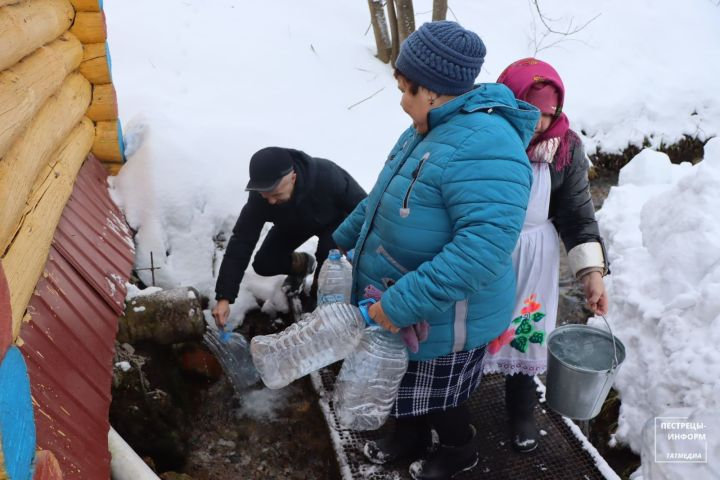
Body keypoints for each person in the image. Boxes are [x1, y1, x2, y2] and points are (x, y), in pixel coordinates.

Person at [332, 22, 537, 480]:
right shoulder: (427, 129)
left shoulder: (487, 145)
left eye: (406, 90)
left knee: (443, 397)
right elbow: (384, 192)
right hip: (404, 300)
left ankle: (459, 452)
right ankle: (408, 437)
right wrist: (343, 237)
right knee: (406, 384)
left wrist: (401, 304)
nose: (402, 100)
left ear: (433, 91)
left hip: (449, 311)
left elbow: (481, 250)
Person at [482, 57, 610, 453]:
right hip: (486, 246)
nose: (538, 123)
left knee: (527, 330)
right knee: (474, 325)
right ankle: (452, 406)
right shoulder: (486, 135)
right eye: (529, 111)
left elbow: (576, 213)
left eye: (547, 114)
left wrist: (591, 273)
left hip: (536, 253)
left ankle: (521, 409)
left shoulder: (566, 147)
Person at [212, 147, 366, 327]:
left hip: (335, 223)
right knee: (264, 263)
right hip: (293, 224)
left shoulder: (328, 176)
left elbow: (366, 209)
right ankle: (303, 264)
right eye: (265, 196)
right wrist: (224, 297)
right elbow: (241, 241)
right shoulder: (260, 198)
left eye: (276, 194)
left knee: (328, 254)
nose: (270, 201)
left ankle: (319, 301)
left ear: (293, 177)